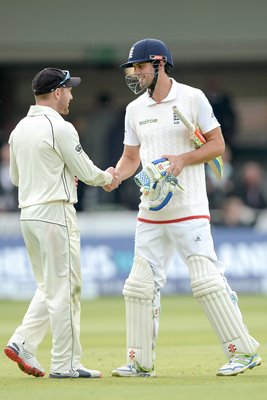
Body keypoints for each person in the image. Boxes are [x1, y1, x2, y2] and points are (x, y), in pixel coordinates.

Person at [104, 38, 261, 377]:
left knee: (206, 281)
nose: (135, 73)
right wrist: (116, 174)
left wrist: (183, 159)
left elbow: (217, 145)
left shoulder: (192, 98)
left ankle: (244, 351)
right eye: (133, 68)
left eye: (141, 66)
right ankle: (140, 361)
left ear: (160, 63)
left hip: (188, 207)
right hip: (150, 211)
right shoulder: (134, 110)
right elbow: (132, 158)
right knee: (139, 286)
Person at [4, 67, 118, 379]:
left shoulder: (18, 130)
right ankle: (65, 364)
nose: (71, 95)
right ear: (57, 92)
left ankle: (23, 341)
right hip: (55, 214)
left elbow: (16, 177)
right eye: (69, 90)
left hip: (28, 214)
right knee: (66, 288)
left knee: (51, 286)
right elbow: (87, 170)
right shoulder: (60, 128)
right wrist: (109, 178)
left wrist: (59, 173)